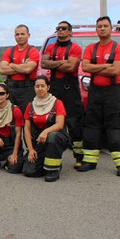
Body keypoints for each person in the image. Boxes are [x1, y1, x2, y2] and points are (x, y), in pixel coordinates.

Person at [78, 16, 120, 177]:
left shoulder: (119, 49)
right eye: (99, 26)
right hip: (95, 91)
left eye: (105, 26)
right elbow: (85, 66)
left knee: (116, 126)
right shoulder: (90, 48)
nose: (102, 28)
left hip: (114, 92)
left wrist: (95, 68)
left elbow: (115, 70)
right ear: (96, 29)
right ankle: (89, 160)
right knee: (91, 126)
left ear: (111, 29)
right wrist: (105, 66)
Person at [41, 21, 84, 167]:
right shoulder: (51, 47)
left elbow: (71, 66)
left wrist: (54, 62)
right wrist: (62, 62)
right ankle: (54, 156)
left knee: (74, 124)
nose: (60, 31)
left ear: (70, 32)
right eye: (58, 28)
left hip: (70, 90)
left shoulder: (76, 48)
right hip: (54, 89)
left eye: (63, 28)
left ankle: (79, 157)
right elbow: (44, 64)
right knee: (53, 122)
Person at [22, 76, 71, 182]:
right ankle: (46, 160)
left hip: (57, 137)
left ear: (48, 87)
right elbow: (26, 129)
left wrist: (46, 131)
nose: (40, 88)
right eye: (37, 86)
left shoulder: (57, 103)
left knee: (52, 136)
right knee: (29, 171)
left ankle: (53, 170)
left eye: (43, 86)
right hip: (39, 141)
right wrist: (30, 150)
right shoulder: (30, 105)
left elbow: (60, 124)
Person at [0, 24, 40, 112]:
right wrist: (22, 66)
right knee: (11, 117)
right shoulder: (9, 51)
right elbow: (2, 69)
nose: (20, 36)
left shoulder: (33, 51)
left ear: (28, 35)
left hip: (27, 90)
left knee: (27, 117)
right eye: (17, 34)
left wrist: (12, 64)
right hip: (11, 90)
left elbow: (27, 69)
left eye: (22, 34)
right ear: (14, 36)